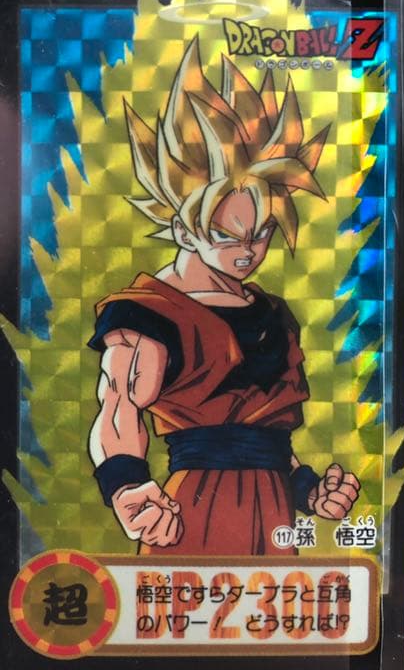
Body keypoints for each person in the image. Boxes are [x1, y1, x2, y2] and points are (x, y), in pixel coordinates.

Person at [88, 36, 360, 556]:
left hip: (275, 520)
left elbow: (266, 440)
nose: (247, 252)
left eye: (261, 234)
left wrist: (310, 492)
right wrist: (127, 487)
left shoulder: (272, 314)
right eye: (227, 236)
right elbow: (118, 406)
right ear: (184, 230)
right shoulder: (148, 313)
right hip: (190, 514)